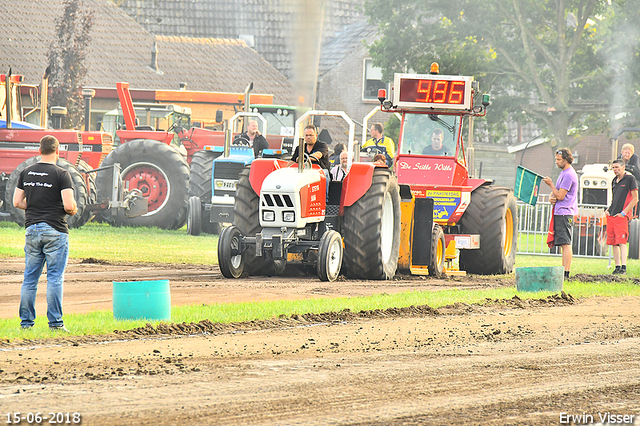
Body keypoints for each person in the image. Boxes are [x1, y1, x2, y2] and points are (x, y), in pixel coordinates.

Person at [13, 135, 78, 332]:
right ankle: (56, 324)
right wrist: (74, 209)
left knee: (30, 278)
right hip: (55, 230)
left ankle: (26, 324)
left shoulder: (26, 172)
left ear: (39, 150)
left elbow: (17, 202)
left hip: (32, 229)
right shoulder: (62, 174)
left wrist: (34, 207)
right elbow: (68, 206)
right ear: (57, 151)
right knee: (55, 278)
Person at [542, 148, 579, 279]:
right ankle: (563, 272)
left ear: (566, 159)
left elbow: (561, 195)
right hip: (560, 211)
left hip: (565, 213)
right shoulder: (564, 173)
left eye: (558, 160)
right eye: (556, 159)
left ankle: (566, 273)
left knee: (566, 243)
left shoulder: (569, 174)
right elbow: (556, 194)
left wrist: (550, 184)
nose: (556, 162)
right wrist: (551, 197)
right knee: (564, 244)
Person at [605, 159, 639, 274]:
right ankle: (617, 266)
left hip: (622, 216)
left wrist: (624, 213)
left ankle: (624, 267)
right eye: (613, 167)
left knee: (622, 241)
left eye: (617, 167)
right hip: (612, 215)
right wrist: (609, 209)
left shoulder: (630, 179)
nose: (615, 169)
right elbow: (615, 199)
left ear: (623, 167)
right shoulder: (614, 180)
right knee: (614, 242)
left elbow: (635, 198)